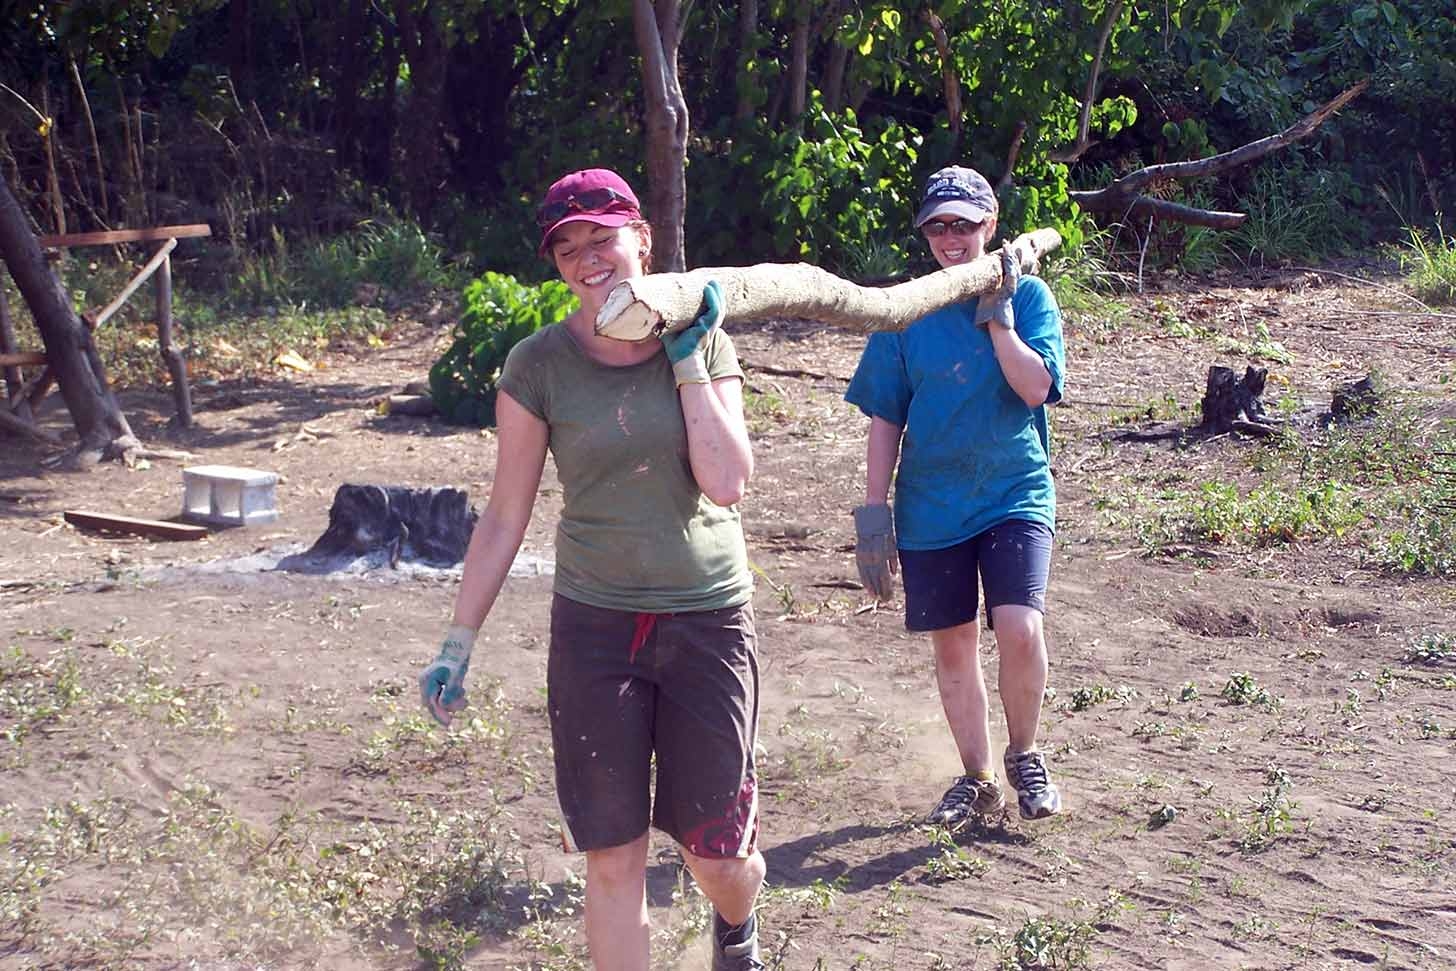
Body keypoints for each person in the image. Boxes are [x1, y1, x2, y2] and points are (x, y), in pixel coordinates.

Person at [418, 168, 765, 971]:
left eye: (602, 236)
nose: (587, 257)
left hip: (707, 617)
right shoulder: (538, 365)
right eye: (567, 246)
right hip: (596, 626)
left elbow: (729, 481)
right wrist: (457, 640)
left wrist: (683, 357)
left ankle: (737, 922)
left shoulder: (706, 336)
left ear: (641, 238)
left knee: (717, 857)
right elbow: (506, 514)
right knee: (614, 857)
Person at [844, 165, 1067, 828]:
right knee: (953, 644)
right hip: (931, 504)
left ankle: (1025, 753)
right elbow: (886, 416)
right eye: (938, 225)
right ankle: (977, 778)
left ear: (989, 227)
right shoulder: (905, 311)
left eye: (964, 224)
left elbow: (1035, 388)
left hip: (1013, 489)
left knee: (1021, 627)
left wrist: (998, 320)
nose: (951, 236)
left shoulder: (1030, 299)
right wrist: (872, 513)